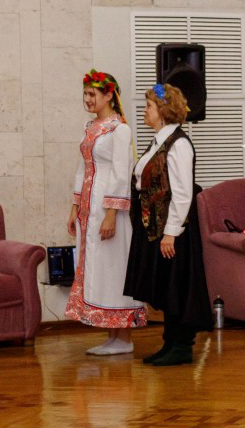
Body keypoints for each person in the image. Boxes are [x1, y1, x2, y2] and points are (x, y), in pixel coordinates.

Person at [123, 84, 213, 366]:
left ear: (162, 111)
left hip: (174, 231)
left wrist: (171, 233)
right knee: (166, 286)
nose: (145, 112)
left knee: (178, 286)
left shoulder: (179, 144)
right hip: (156, 227)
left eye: (148, 107)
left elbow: (184, 192)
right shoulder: (159, 140)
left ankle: (182, 346)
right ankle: (170, 343)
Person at [66, 70, 147, 353]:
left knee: (113, 266)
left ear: (109, 95)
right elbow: (83, 167)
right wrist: (75, 207)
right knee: (98, 267)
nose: (87, 99)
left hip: (109, 208)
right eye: (85, 94)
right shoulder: (91, 128)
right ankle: (113, 335)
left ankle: (124, 337)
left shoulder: (119, 129)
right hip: (90, 209)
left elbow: (122, 173)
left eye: (93, 94)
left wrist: (111, 212)